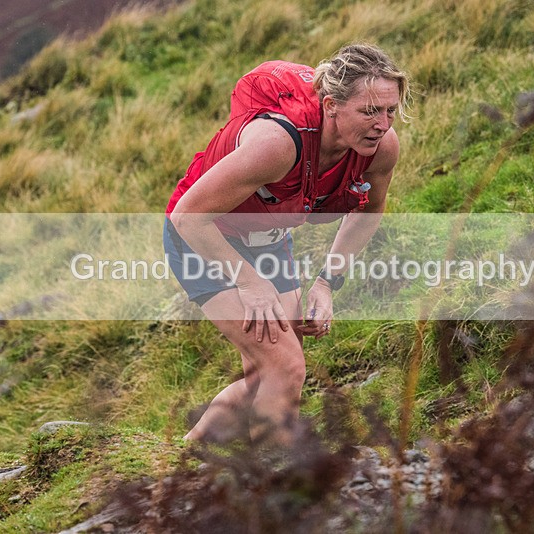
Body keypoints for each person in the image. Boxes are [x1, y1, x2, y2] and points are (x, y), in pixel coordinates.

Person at [164, 43, 410, 446]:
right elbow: (188, 216)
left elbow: (369, 210)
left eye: (390, 111)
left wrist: (327, 282)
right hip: (202, 236)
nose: (382, 124)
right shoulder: (279, 144)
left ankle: (182, 458)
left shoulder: (381, 148)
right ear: (331, 106)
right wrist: (249, 282)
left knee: (265, 374)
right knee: (286, 367)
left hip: (269, 240)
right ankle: (273, 475)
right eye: (369, 111)